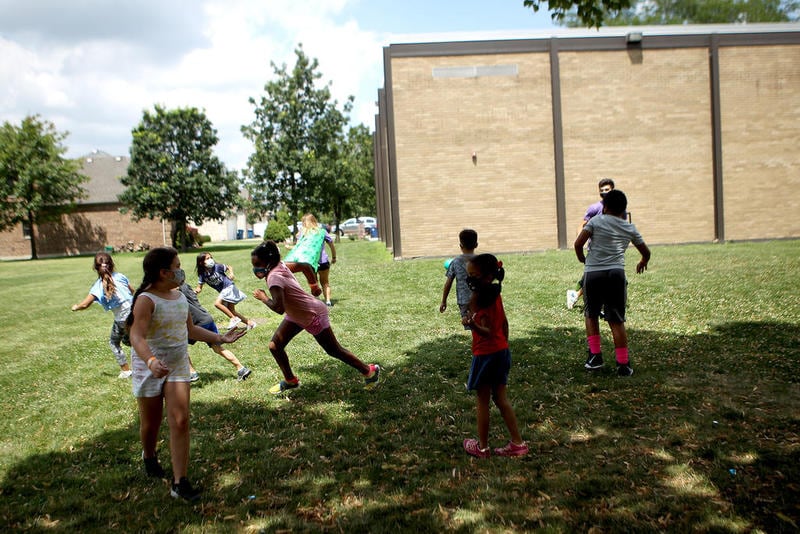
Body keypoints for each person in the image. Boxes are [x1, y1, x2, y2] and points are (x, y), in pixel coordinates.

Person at [127, 247, 246, 502]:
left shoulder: (179, 295)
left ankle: (179, 482)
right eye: (177, 266)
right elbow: (135, 335)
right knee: (151, 423)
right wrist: (149, 360)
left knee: (180, 421)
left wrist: (219, 337)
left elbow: (190, 330)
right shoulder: (146, 300)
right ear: (163, 272)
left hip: (178, 364)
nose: (181, 271)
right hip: (150, 366)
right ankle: (149, 454)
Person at [250, 241, 381, 394]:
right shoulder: (281, 265)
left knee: (333, 350)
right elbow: (304, 266)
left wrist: (264, 297)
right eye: (253, 264)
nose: (255, 268)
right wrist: (313, 285)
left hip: (312, 315)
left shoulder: (274, 278)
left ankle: (370, 371)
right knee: (275, 346)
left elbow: (279, 308)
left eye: (258, 264)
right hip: (297, 314)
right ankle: (290, 381)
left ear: (269, 261)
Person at [574, 189, 650, 377]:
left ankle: (595, 356)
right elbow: (646, 252)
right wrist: (642, 262)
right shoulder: (628, 227)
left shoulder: (595, 221)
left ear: (605, 206)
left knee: (591, 314)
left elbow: (578, 243)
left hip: (593, 273)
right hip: (616, 273)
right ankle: (623, 364)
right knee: (616, 320)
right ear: (624, 208)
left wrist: (582, 257)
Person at [462, 253, 528, 458]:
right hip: (501, 352)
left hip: (485, 355)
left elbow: (488, 331)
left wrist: (472, 324)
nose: (469, 279)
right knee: (500, 398)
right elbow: (504, 323)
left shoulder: (480, 299)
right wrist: (504, 345)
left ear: (487, 276)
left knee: (482, 400)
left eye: (473, 275)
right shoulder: (495, 295)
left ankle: (482, 447)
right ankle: (518, 444)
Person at [71, 252, 136, 379]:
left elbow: (85, 305)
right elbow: (133, 291)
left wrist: (76, 307)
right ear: (112, 264)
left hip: (122, 320)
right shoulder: (121, 276)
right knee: (135, 339)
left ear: (96, 268)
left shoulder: (98, 286)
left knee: (114, 342)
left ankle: (126, 371)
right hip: (136, 312)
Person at [178, 282, 252, 381]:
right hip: (206, 318)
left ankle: (192, 373)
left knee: (180, 347)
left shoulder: (173, 292)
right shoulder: (185, 285)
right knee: (217, 347)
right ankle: (241, 368)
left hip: (195, 323)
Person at [567, 178, 616, 310]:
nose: (604, 192)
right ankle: (580, 296)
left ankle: (577, 294)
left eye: (607, 190)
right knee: (598, 277)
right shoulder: (595, 208)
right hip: (595, 249)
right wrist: (580, 239)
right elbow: (582, 224)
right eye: (602, 190)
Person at [194, 252, 256, 330]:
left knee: (217, 304)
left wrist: (231, 273)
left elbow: (229, 267)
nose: (211, 260)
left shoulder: (217, 267)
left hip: (228, 287)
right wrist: (196, 291)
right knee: (231, 310)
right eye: (207, 258)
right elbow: (199, 287)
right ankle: (251, 323)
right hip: (224, 291)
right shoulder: (202, 275)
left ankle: (234, 319)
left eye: (211, 257)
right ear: (201, 262)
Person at [439, 229, 478, 328]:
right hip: (479, 298)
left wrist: (444, 301)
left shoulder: (455, 262)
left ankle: (478, 342)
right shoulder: (480, 261)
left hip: (464, 300)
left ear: (460, 246)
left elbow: (448, 283)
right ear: (476, 244)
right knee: (479, 322)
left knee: (471, 324)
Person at [282, 215, 328, 297]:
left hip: (303, 261)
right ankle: (321, 296)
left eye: (303, 222)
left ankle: (313, 291)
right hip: (315, 261)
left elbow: (299, 247)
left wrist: (289, 246)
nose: (302, 224)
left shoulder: (305, 232)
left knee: (284, 270)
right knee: (321, 281)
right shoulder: (321, 232)